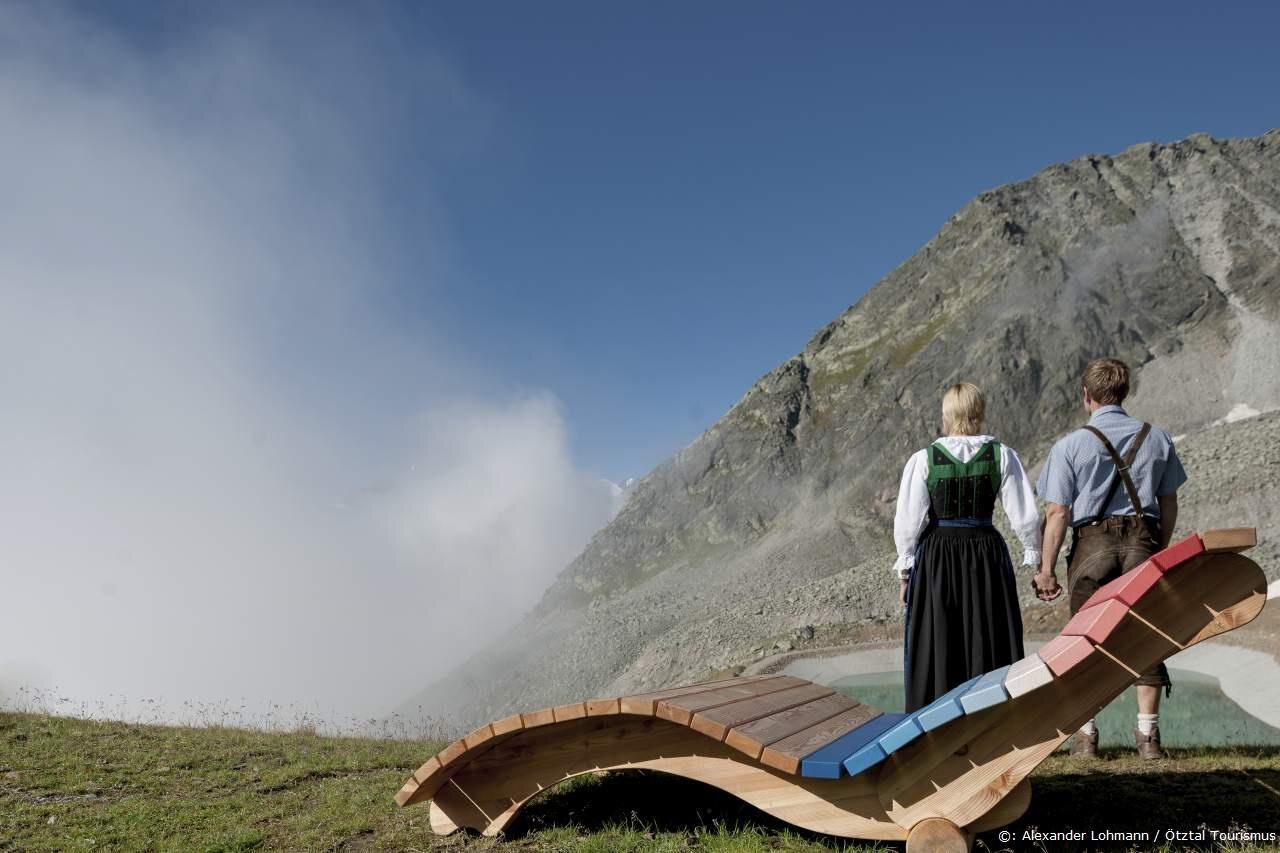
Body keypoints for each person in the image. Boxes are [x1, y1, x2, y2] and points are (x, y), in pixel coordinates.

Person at [1033, 358, 1187, 760]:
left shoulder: (1069, 446)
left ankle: (1086, 737)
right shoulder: (1157, 438)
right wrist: (1159, 549)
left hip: (1091, 545)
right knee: (1145, 635)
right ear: (1125, 392)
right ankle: (1148, 738)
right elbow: (1169, 503)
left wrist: (1046, 570)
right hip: (1143, 541)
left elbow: (1058, 513)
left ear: (1086, 396)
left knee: (1085, 640)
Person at [894, 383, 1043, 712]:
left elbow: (907, 522)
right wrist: (1034, 556)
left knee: (939, 636)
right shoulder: (1002, 455)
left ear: (946, 415)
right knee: (987, 632)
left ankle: (936, 718)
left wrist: (906, 574)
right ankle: (990, 716)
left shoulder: (924, 460)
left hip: (937, 556)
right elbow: (1026, 515)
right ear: (979, 413)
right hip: (985, 553)